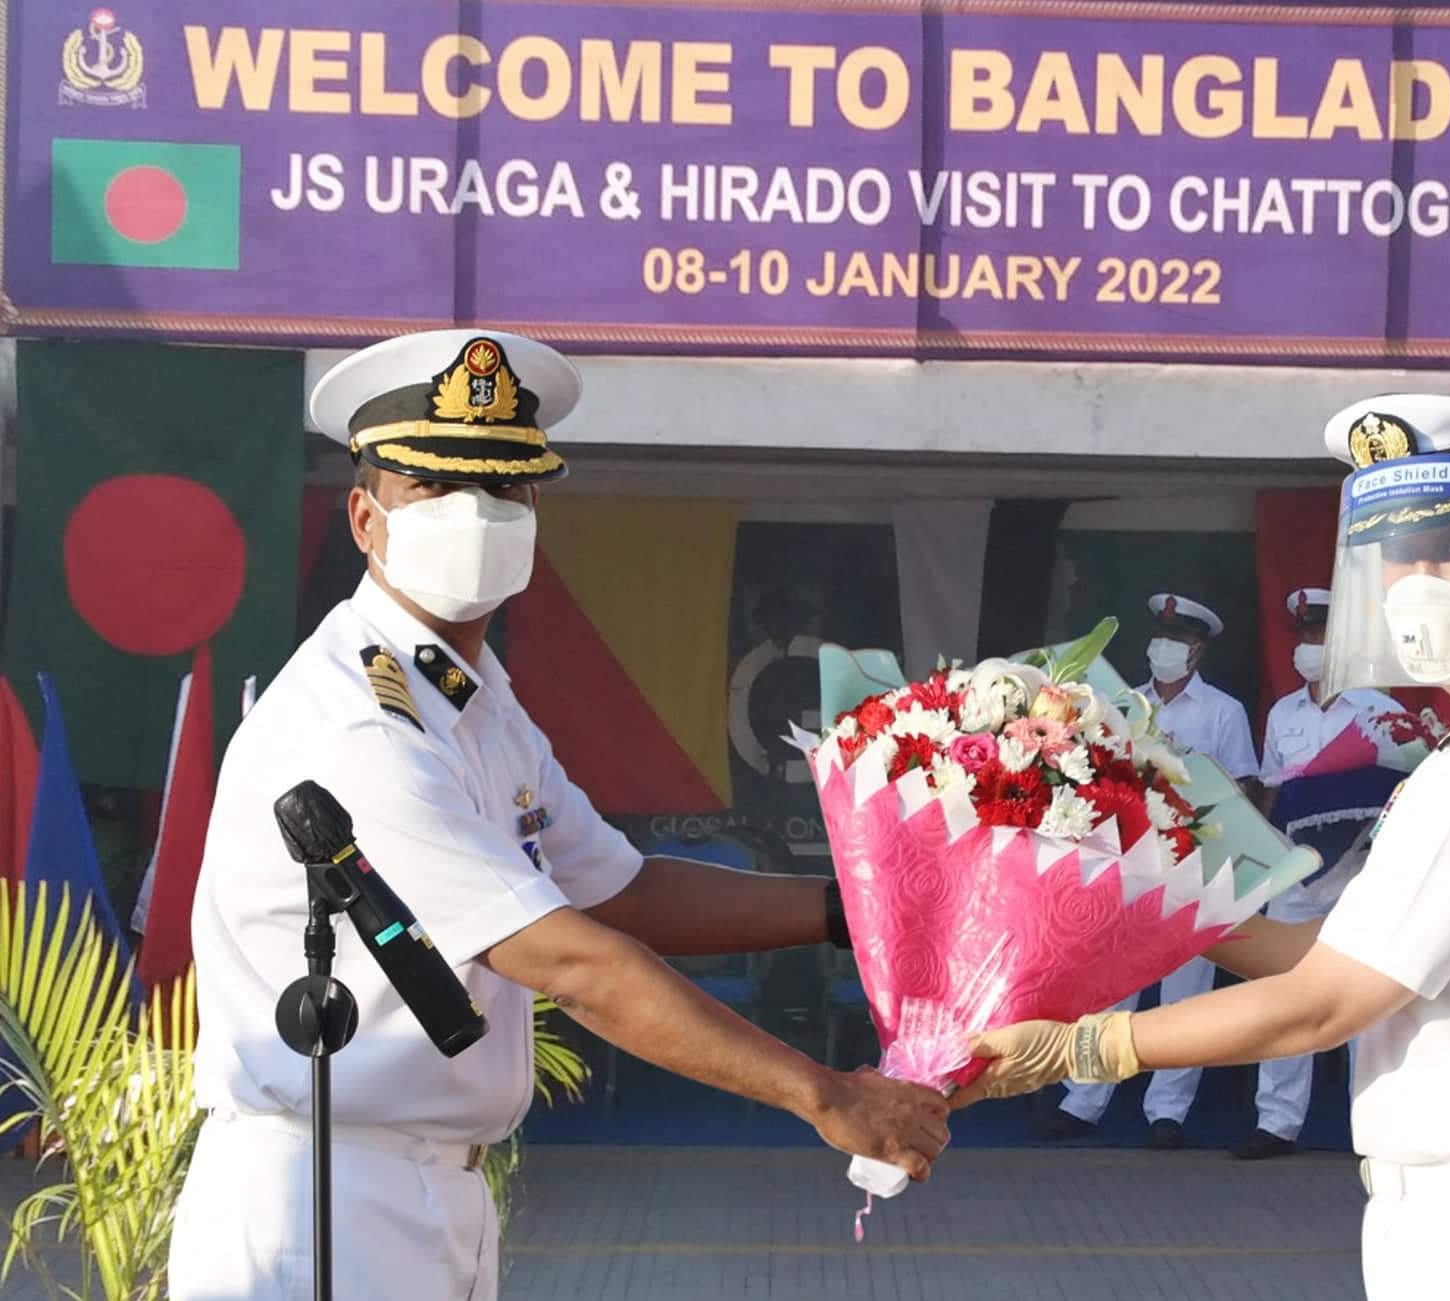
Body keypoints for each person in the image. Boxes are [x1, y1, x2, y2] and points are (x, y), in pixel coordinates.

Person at [170, 330, 949, 1300]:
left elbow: (627, 891)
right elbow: (577, 963)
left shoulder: (475, 697)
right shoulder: (357, 720)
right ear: (366, 518)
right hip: (324, 1196)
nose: (478, 514)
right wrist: (825, 1093)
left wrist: (864, 907)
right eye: (440, 489)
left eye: (505, 488)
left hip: (427, 1191)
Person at [958, 395, 1450, 1301]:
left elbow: (1322, 1003)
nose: (1416, 581)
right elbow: (1330, 950)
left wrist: (1082, 1048)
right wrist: (1138, 892)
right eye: (1396, 552)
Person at [1043, 593, 1259, 1150]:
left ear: (1198, 651)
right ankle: (1083, 1100)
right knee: (1111, 981)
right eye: (1160, 638)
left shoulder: (1222, 711)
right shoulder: (1121, 703)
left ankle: (1168, 1111)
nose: (1165, 649)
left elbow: (1245, 787)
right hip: (1128, 855)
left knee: (1185, 991)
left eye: (1179, 641)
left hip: (1195, 858)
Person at [1235, 587, 1404, 1162]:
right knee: (1287, 994)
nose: (1310, 647)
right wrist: (1259, 866)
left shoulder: (1381, 711)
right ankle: (1276, 1124)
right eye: (1303, 636)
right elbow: (1270, 791)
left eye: (1320, 637)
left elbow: (1405, 792)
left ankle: (1375, 1125)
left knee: (1365, 996)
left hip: (1361, 871)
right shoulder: (1284, 712)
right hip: (1295, 871)